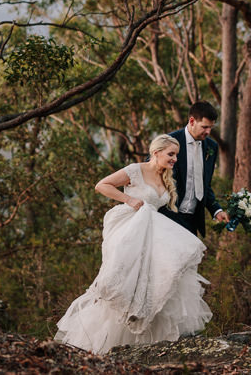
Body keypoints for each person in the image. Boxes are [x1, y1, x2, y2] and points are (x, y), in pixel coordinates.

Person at [54, 135, 213, 354]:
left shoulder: (166, 177)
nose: (175, 159)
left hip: (153, 233)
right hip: (131, 230)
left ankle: (147, 346)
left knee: (157, 282)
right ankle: (102, 343)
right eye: (171, 154)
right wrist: (129, 200)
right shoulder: (135, 170)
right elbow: (102, 185)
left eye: (176, 154)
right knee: (124, 282)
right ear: (156, 152)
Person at [160, 101, 229, 237]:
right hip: (167, 217)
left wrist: (216, 210)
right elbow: (150, 171)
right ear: (192, 121)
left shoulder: (211, 147)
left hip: (192, 220)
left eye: (211, 127)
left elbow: (205, 185)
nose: (208, 132)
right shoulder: (169, 141)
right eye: (204, 127)